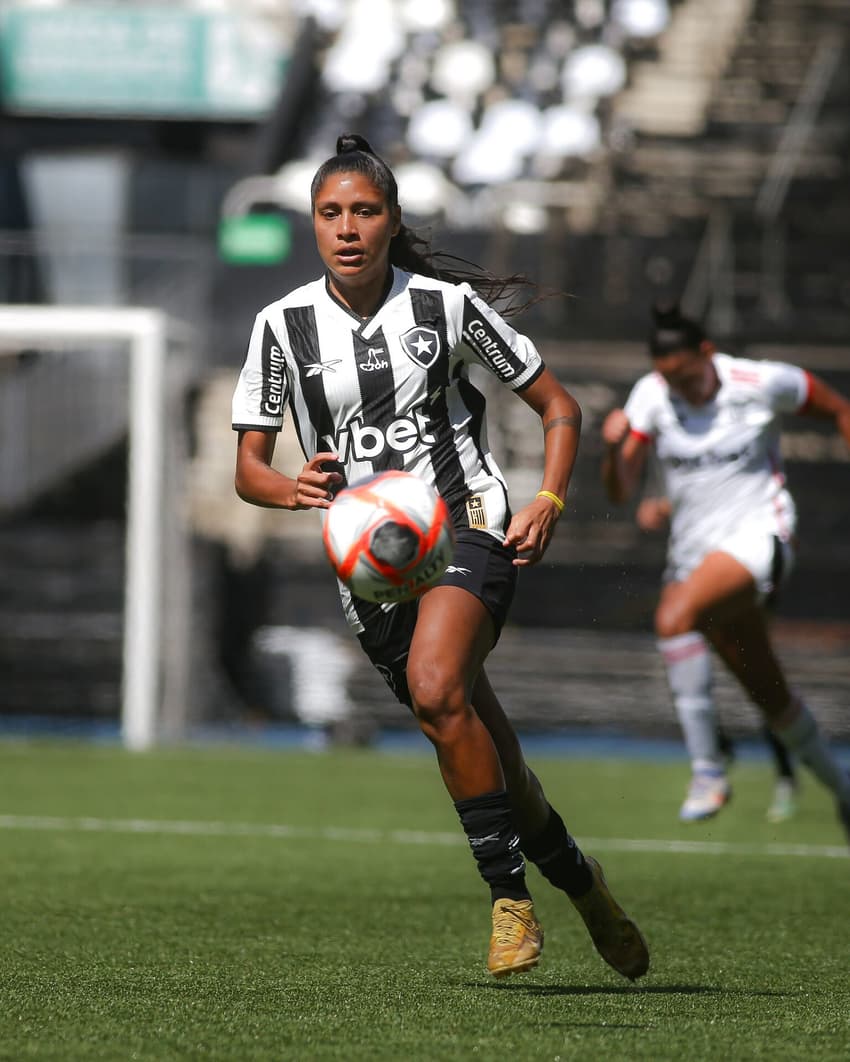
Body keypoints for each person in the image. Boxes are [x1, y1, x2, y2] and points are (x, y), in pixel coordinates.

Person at [232, 134, 649, 981]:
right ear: (313, 224)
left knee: (433, 685)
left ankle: (511, 906)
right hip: (369, 571)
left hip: (465, 524)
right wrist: (294, 489)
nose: (347, 228)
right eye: (330, 213)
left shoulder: (445, 310)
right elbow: (249, 468)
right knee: (484, 747)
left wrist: (549, 500)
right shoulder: (281, 327)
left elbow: (558, 406)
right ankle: (584, 884)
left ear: (392, 222)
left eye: (365, 211)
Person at [601, 303, 850, 835]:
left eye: (687, 375)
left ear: (707, 354)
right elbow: (620, 490)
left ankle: (709, 768)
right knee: (770, 693)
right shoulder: (651, 394)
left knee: (673, 618)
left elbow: (838, 409)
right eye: (669, 379)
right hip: (694, 559)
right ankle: (844, 791)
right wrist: (612, 448)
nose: (681, 389)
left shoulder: (760, 381)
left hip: (764, 538)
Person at [635, 493, 799, 823]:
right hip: (700, 582)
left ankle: (784, 776)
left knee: (761, 689)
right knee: (681, 666)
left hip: (737, 581)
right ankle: (717, 755)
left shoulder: (750, 481)